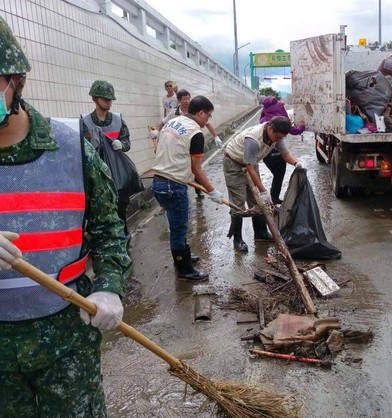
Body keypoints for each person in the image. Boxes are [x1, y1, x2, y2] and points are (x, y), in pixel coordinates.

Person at [0, 17, 131, 416]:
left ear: (14, 79)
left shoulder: (71, 145)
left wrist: (109, 285)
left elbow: (109, 227)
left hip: (65, 336)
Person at [151, 95, 224, 280]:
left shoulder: (173, 122)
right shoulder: (195, 132)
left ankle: (183, 255)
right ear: (200, 112)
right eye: (208, 116)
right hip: (173, 185)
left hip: (158, 181)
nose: (208, 120)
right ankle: (184, 270)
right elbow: (196, 168)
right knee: (179, 228)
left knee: (178, 224)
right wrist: (212, 190)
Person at [223, 116, 303, 252]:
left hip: (250, 163)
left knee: (257, 201)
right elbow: (249, 167)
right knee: (238, 203)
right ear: (270, 128)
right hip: (234, 164)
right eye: (277, 137)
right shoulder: (253, 139)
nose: (277, 141)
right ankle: (238, 240)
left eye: (280, 138)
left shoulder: (277, 135)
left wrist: (297, 163)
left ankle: (261, 233)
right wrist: (264, 191)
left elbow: (285, 154)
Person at [80, 80, 133, 239]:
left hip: (116, 170)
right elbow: (81, 146)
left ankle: (123, 233)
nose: (109, 103)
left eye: (110, 100)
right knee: (97, 206)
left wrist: (121, 145)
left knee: (121, 203)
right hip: (96, 172)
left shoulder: (117, 120)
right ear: (95, 99)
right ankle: (102, 237)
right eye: (105, 99)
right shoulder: (85, 121)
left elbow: (127, 142)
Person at [259, 96, 305, 204]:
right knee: (279, 174)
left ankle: (271, 198)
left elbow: (285, 153)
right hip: (273, 153)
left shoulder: (264, 116)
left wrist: (296, 163)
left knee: (277, 174)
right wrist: (301, 126)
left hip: (266, 155)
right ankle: (273, 198)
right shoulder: (277, 117)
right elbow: (292, 130)